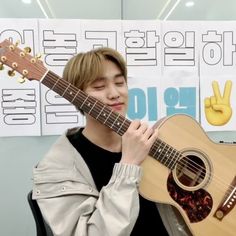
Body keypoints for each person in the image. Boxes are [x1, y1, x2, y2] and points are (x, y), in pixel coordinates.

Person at [32, 47, 191, 236]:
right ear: (76, 96)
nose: (115, 93)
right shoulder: (57, 168)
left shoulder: (149, 142)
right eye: (99, 87)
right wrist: (129, 164)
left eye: (120, 82)